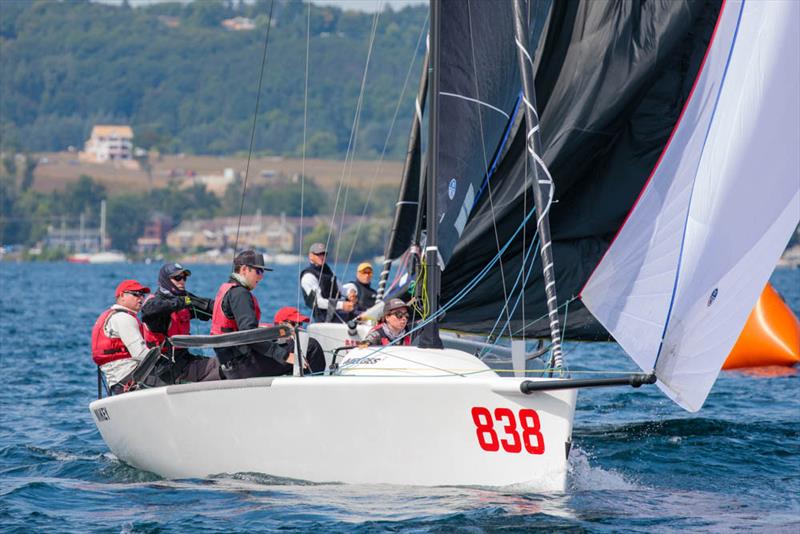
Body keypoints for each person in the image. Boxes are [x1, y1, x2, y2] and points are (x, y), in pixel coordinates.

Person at [210, 250, 298, 379]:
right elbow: (249, 333)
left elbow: (242, 329)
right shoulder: (240, 294)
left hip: (231, 363)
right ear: (244, 269)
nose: (261, 276)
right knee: (310, 347)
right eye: (258, 271)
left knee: (289, 343)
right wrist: (283, 355)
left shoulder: (228, 289)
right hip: (243, 365)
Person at [141, 262, 221, 384]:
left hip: (185, 361)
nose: (182, 281)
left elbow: (207, 306)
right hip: (168, 369)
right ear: (166, 280)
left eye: (184, 278)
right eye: (177, 278)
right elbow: (148, 310)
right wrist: (179, 302)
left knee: (228, 362)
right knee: (225, 368)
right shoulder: (157, 302)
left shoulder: (185, 298)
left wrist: (229, 306)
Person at [91, 280, 154, 394]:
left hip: (116, 382)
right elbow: (141, 355)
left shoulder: (112, 316)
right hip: (130, 379)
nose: (140, 298)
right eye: (135, 294)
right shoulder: (124, 318)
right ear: (122, 296)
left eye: (142, 295)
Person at [300, 242, 354, 323]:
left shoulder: (328, 271)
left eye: (324, 254)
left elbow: (341, 289)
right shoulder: (308, 276)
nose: (322, 257)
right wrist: (342, 305)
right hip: (324, 318)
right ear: (311, 256)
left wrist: (350, 293)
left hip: (339, 312)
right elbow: (317, 302)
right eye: (318, 254)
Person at [272, 306, 326, 374]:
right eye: (295, 324)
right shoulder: (274, 344)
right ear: (281, 324)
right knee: (312, 344)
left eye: (300, 324)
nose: (299, 328)